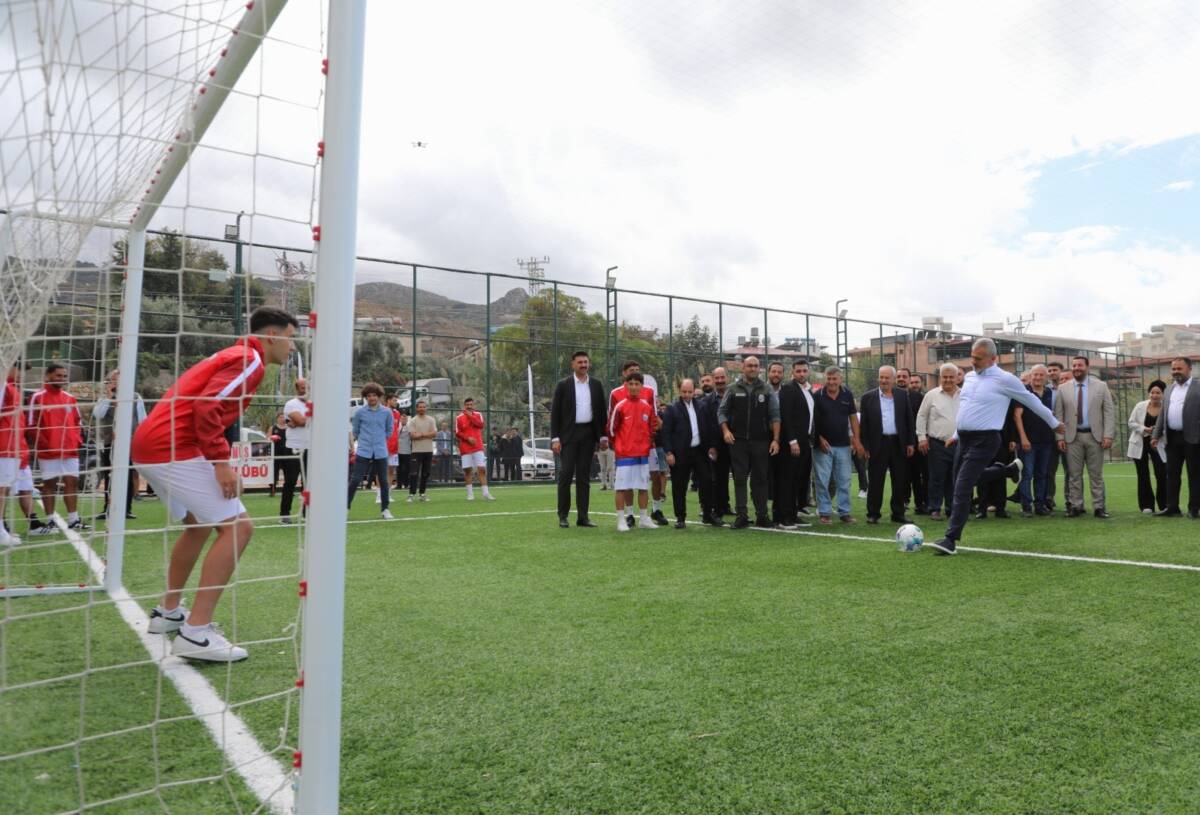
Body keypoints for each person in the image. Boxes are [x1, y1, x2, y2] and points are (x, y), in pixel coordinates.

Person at [131, 306, 296, 661]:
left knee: (198, 526)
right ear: (272, 336)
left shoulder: (235, 354)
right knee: (239, 528)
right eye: (290, 338)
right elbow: (207, 407)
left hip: (152, 443)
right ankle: (196, 633)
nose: (292, 347)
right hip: (170, 446)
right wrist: (221, 463)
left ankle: (168, 611)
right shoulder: (250, 359)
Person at [927, 338, 1063, 556]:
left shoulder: (1005, 379)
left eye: (978, 359)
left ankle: (950, 539)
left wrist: (1054, 423)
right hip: (964, 438)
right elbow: (967, 409)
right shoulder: (969, 377)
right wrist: (955, 434)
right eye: (972, 357)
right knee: (960, 481)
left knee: (962, 488)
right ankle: (1006, 470)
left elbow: (1031, 400)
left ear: (993, 359)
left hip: (986, 439)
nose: (973, 362)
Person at [717, 356, 781, 529]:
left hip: (761, 442)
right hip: (738, 442)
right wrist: (726, 431)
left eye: (756, 366)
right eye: (749, 366)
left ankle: (762, 515)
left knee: (761, 479)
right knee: (739, 479)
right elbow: (722, 412)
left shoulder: (767, 389)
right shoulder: (732, 389)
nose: (753, 368)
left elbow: (775, 416)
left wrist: (775, 440)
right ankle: (742, 516)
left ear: (759, 368)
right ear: (743, 368)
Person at [26, 362, 87, 530]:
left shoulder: (70, 398)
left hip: (70, 449)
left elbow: (78, 422)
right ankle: (51, 519)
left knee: (72, 483)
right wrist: (44, 444)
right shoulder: (37, 397)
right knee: (49, 485)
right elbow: (31, 425)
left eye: (64, 376)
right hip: (49, 451)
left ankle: (74, 519)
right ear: (48, 376)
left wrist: (76, 441)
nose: (62, 379)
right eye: (58, 375)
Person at [1053, 356, 1115, 518]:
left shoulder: (1101, 387)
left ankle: (1099, 507)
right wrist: (1059, 438)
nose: (1076, 368)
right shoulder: (1063, 388)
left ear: (1087, 367)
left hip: (1096, 437)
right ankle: (1076, 506)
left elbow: (1109, 412)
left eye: (1080, 365)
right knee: (1074, 475)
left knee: (1096, 475)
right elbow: (1058, 415)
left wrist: (1108, 435)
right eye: (1074, 365)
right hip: (1072, 438)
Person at [550, 351, 606, 527]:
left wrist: (602, 436)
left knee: (584, 477)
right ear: (572, 364)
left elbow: (602, 412)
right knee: (565, 474)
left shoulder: (596, 385)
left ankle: (583, 517)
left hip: (588, 435)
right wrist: (555, 439)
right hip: (568, 435)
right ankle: (563, 516)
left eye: (586, 362)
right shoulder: (563, 385)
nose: (583, 365)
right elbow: (555, 414)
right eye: (580, 362)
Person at [609, 360, 668, 525]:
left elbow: (653, 422)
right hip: (625, 451)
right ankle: (627, 515)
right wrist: (620, 444)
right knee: (624, 484)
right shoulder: (616, 395)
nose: (634, 385)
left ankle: (653, 511)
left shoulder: (648, 395)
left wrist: (648, 442)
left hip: (645, 449)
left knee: (651, 478)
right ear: (624, 375)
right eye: (631, 372)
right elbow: (612, 426)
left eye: (637, 372)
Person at [858, 366, 916, 524]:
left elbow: (909, 420)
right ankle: (873, 513)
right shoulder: (867, 397)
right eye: (881, 377)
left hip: (899, 443)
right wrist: (866, 446)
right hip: (878, 443)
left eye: (887, 378)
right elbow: (864, 425)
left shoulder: (902, 395)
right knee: (876, 480)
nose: (883, 380)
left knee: (900, 480)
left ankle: (898, 513)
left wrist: (911, 442)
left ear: (893, 379)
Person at [661, 378, 717, 529]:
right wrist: (668, 453)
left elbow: (709, 427)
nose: (687, 395)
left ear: (694, 391)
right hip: (680, 453)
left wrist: (712, 446)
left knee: (707, 481)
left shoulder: (702, 406)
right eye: (684, 392)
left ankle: (707, 514)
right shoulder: (672, 409)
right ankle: (680, 518)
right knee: (679, 486)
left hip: (700, 451)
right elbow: (665, 433)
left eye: (690, 392)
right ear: (680, 391)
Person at [93, 368, 146, 521]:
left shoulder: (136, 397)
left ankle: (127, 509)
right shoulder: (105, 398)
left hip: (129, 443)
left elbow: (142, 420)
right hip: (110, 443)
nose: (116, 382)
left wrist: (137, 438)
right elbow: (98, 414)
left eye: (119, 379)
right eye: (114, 379)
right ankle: (108, 508)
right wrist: (109, 397)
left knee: (128, 475)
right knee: (109, 476)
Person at [811, 366, 863, 524]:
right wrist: (818, 438)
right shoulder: (817, 396)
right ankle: (825, 512)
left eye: (834, 379)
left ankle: (844, 512)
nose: (831, 382)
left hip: (843, 445)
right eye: (829, 378)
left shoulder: (847, 394)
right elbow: (811, 421)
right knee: (822, 480)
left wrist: (857, 439)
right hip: (822, 446)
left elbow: (853, 418)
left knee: (844, 480)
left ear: (840, 379)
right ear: (825, 379)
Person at [1151, 357, 1200, 518]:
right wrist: (1155, 435)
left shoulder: (1198, 387)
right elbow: (1162, 415)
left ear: (1189, 369)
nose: (1176, 372)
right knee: (1171, 474)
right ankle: (1172, 507)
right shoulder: (1169, 390)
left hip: (1194, 438)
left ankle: (1194, 509)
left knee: (1194, 474)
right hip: (1172, 438)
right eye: (1173, 369)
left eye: (1179, 369)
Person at [916, 363, 961, 521]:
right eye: (945, 377)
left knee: (955, 478)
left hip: (959, 444)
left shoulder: (964, 395)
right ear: (940, 378)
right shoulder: (932, 395)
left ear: (957, 378)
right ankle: (934, 508)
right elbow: (921, 416)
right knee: (936, 477)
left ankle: (951, 509)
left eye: (951, 377)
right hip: (937, 444)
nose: (948, 380)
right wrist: (921, 437)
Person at [1012, 364, 1056, 517]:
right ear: (1030, 376)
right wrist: (1023, 438)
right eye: (1035, 374)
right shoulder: (1024, 392)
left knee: (1042, 474)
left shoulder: (1049, 392)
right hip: (1028, 442)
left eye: (1041, 375)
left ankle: (1040, 505)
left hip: (1046, 441)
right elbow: (1017, 416)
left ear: (1046, 377)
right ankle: (1026, 506)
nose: (1037, 377)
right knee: (1027, 474)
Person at [776, 359, 815, 528]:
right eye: (798, 371)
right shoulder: (788, 389)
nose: (801, 374)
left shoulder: (808, 391)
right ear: (793, 372)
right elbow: (786, 417)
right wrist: (792, 441)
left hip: (806, 442)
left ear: (808, 372)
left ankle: (793, 514)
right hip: (792, 443)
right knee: (788, 480)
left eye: (804, 371)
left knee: (800, 480)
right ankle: (784, 517)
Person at [348, 383, 394, 519]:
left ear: (379, 396)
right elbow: (355, 431)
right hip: (363, 451)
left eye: (374, 395)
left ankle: (385, 509)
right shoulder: (359, 412)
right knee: (355, 480)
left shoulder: (387, 412)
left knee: (384, 481)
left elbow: (389, 430)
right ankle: (345, 508)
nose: (372, 398)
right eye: (369, 396)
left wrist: (380, 441)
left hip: (381, 451)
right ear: (365, 397)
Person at [1128, 380, 1168, 514]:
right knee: (1143, 474)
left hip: (1158, 444)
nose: (1155, 395)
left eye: (1158, 393)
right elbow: (1131, 423)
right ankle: (1147, 505)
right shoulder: (1140, 406)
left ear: (1163, 394)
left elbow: (1169, 426)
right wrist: (1145, 429)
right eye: (1152, 392)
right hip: (1140, 443)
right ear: (1149, 393)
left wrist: (1157, 432)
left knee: (1161, 474)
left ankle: (1164, 505)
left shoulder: (1167, 407)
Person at [280, 377, 309, 523]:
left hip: (311, 448)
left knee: (309, 484)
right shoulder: (291, 404)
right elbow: (301, 421)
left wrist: (299, 422)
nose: (306, 390)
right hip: (293, 447)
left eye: (308, 387)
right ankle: (284, 514)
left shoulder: (314, 404)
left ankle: (305, 513)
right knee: (290, 481)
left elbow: (301, 421)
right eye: (303, 388)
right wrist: (300, 421)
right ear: (297, 389)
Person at [707, 366, 733, 516]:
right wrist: (712, 445)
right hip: (717, 445)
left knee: (738, 478)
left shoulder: (735, 395)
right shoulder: (707, 400)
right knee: (718, 477)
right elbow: (709, 424)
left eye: (722, 377)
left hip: (736, 443)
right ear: (713, 379)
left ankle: (728, 506)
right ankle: (719, 507)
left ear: (727, 378)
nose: (720, 381)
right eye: (717, 378)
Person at [0, 364, 22, 546]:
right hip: (3, 444)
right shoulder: (4, 387)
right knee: (1, 489)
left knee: (4, 489)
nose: (21, 373)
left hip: (11, 445)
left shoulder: (12, 389)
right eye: (18, 368)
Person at [456, 397, 493, 501]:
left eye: (471, 405)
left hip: (478, 447)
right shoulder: (459, 417)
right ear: (464, 405)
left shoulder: (478, 415)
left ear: (473, 405)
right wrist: (468, 438)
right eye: (467, 405)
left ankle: (486, 493)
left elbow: (480, 425)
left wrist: (470, 416)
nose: (469, 406)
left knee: (482, 469)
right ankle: (470, 494)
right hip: (465, 448)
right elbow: (457, 432)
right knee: (468, 471)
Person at [903, 370, 928, 514]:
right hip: (904, 443)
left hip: (919, 442)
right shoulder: (897, 397)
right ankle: (904, 501)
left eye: (916, 382)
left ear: (921, 384)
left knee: (921, 475)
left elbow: (924, 419)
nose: (914, 385)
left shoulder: (922, 398)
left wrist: (922, 438)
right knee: (905, 475)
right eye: (912, 382)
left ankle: (921, 503)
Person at [406, 399, 437, 502]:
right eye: (420, 407)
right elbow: (412, 436)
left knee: (426, 473)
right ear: (417, 408)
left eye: (424, 407)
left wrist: (422, 434)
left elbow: (434, 434)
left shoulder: (431, 420)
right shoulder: (413, 421)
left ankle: (422, 494)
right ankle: (411, 494)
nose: (422, 409)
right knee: (414, 473)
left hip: (428, 450)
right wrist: (426, 434)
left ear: (426, 408)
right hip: (416, 451)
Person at [268, 413, 288, 497]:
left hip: (287, 453)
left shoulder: (289, 427)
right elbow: (267, 438)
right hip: (275, 453)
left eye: (283, 417)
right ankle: (273, 490)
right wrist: (272, 438)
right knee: (274, 472)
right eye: (280, 417)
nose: (282, 419)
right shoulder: (273, 428)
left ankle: (288, 491)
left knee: (288, 473)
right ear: (277, 418)